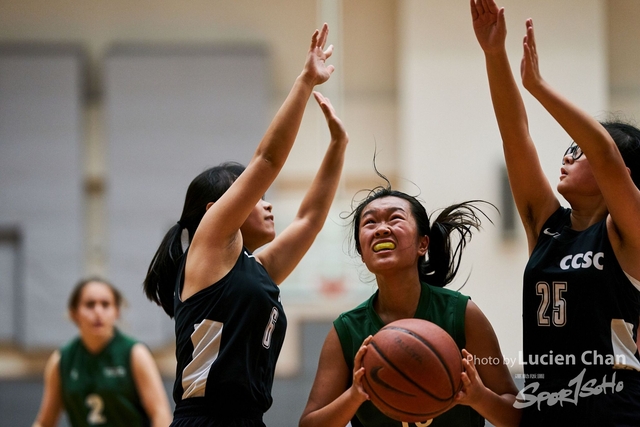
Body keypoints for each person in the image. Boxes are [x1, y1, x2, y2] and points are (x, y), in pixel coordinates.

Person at [143, 23, 348, 427]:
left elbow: (310, 219)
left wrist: (338, 147)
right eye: (257, 197)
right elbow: (267, 161)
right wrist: (306, 80)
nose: (268, 205)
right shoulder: (208, 246)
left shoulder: (255, 271)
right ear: (217, 209)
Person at [471, 0, 640, 425]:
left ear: (619, 172)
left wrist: (540, 86)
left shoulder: (629, 233)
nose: (565, 157)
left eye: (576, 151)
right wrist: (495, 56)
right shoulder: (546, 227)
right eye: (566, 149)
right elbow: (516, 135)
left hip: (616, 415)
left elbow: (603, 151)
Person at [299, 174, 521, 427]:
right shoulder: (347, 331)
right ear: (362, 253)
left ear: (422, 244)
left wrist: (479, 397)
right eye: (370, 222)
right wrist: (354, 394)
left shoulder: (461, 313)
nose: (382, 228)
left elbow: (518, 417)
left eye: (395, 218)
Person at [33, 277, 172, 427]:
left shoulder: (135, 353)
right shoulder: (61, 360)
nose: (98, 312)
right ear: (74, 313)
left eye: (105, 304)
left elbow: (161, 414)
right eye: (90, 305)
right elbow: (44, 422)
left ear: (117, 311)